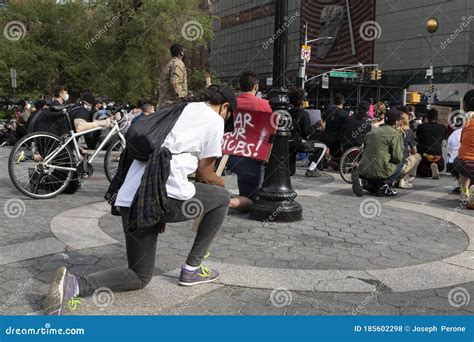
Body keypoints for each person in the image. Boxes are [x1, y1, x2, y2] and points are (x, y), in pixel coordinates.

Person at [43, 86, 236, 315]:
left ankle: (73, 284)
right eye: (228, 116)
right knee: (221, 198)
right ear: (225, 107)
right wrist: (228, 188)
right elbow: (207, 174)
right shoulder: (213, 118)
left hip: (131, 198)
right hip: (160, 195)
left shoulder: (177, 110)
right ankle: (192, 268)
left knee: (139, 275)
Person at [227, 71, 271, 211]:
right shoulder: (265, 105)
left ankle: (223, 200)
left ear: (239, 85)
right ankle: (225, 202)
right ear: (256, 87)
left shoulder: (230, 103)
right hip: (252, 155)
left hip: (228, 154)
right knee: (250, 200)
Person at [352, 109, 404, 197]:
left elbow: (365, 150)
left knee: (375, 167)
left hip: (364, 168)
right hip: (381, 170)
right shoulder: (396, 134)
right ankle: (383, 186)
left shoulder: (371, 132)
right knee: (401, 163)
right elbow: (397, 157)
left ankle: (364, 182)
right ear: (397, 122)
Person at [452, 90, 474, 206]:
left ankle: (464, 191)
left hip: (461, 163)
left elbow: (461, 141)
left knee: (465, 172)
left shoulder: (467, 123)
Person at [416, 108, 447, 179]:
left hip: (424, 157)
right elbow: (444, 141)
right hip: (437, 158)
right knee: (441, 167)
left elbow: (418, 139)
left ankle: (428, 170)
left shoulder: (421, 127)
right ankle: (434, 168)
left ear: (427, 117)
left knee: (420, 172)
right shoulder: (442, 127)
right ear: (437, 117)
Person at [288, 87, 311, 176]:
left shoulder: (286, 111)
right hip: (297, 142)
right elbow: (306, 132)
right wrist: (316, 127)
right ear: (301, 101)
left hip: (286, 141)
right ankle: (312, 168)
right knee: (322, 147)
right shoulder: (304, 114)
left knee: (291, 170)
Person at [396, 108, 421, 189]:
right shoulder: (409, 131)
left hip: (388, 165)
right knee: (417, 156)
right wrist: (407, 150)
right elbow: (414, 151)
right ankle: (405, 178)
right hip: (401, 165)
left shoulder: (391, 130)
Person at [320, 93, 348, 165]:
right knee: (338, 161)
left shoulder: (329, 110)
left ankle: (324, 161)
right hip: (336, 139)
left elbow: (321, 120)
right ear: (343, 102)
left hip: (325, 136)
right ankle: (330, 162)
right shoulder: (345, 114)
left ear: (334, 101)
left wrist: (323, 128)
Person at [158, 43, 188, 107]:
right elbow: (175, 82)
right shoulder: (178, 63)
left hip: (164, 103)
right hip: (173, 105)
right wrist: (182, 97)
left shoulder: (169, 64)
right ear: (181, 53)